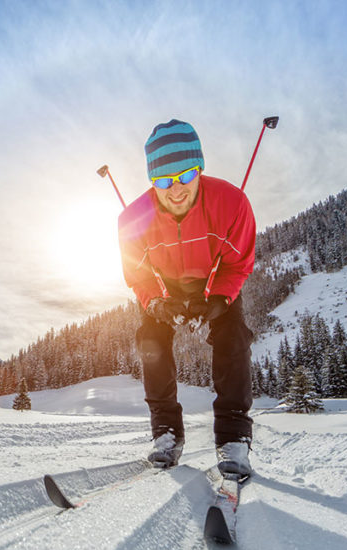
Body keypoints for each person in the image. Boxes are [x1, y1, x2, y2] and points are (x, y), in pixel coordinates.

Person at [118, 119, 256, 476]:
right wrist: (154, 303)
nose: (175, 189)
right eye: (163, 180)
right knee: (150, 338)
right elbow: (138, 274)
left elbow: (238, 264)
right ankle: (166, 432)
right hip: (166, 288)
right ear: (152, 181)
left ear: (200, 169)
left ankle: (233, 437)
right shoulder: (133, 219)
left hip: (214, 280)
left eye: (185, 175)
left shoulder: (232, 204)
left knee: (233, 335)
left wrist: (220, 299)